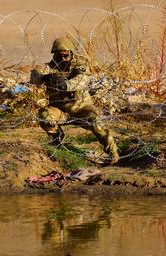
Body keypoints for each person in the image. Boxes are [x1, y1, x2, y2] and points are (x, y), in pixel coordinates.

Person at [30, 36, 119, 164]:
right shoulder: (50, 67)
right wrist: (45, 77)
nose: (62, 59)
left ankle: (113, 153)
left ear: (71, 53)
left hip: (81, 109)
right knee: (45, 116)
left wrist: (65, 85)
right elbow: (35, 75)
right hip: (60, 110)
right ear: (54, 55)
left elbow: (81, 80)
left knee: (97, 124)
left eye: (66, 55)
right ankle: (57, 140)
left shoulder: (81, 65)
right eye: (59, 56)